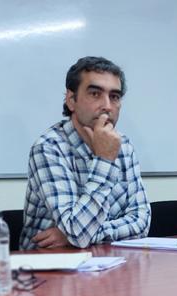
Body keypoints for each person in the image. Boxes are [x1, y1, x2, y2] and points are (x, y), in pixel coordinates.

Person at [21, 56, 150, 250]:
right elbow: (77, 232)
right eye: (95, 94)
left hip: (108, 263)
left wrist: (78, 234)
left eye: (114, 96)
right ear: (71, 100)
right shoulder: (49, 148)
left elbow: (141, 223)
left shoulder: (123, 146)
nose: (107, 105)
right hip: (49, 269)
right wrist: (105, 160)